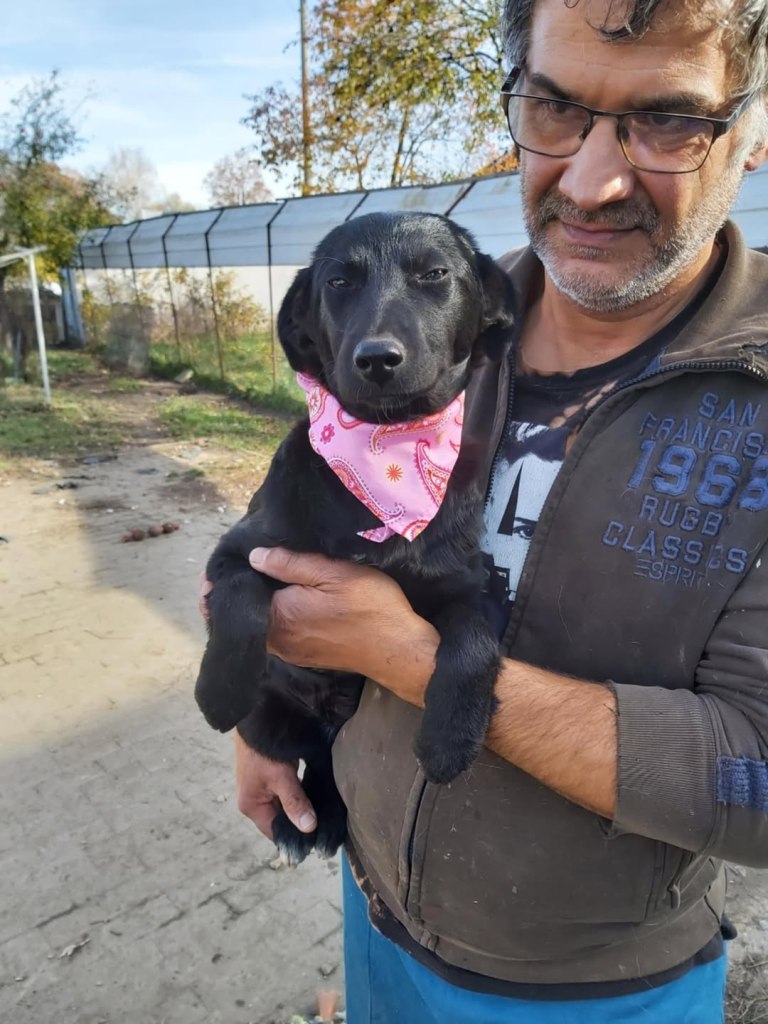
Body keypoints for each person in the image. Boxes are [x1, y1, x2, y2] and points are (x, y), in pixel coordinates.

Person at [208, 1, 768, 1020]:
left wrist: (403, 656)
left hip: (596, 990)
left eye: (668, 120)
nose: (591, 181)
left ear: (755, 128)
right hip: (375, 910)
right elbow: (285, 540)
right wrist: (262, 713)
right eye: (555, 108)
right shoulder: (436, 323)